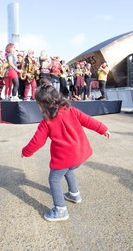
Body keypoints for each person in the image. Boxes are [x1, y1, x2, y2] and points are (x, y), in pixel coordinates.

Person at [21, 78, 111, 222]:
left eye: (38, 104)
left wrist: (25, 152)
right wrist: (103, 129)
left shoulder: (47, 122)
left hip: (66, 157)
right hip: (80, 154)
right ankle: (74, 194)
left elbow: (37, 142)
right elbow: (89, 120)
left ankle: (60, 210)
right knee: (69, 169)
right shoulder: (71, 110)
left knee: (54, 179)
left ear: (43, 105)